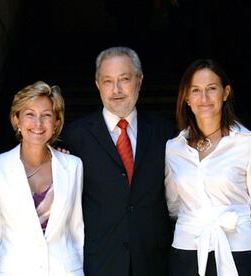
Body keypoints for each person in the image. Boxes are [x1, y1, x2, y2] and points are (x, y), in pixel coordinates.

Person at [62, 46, 176, 275]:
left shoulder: (166, 133)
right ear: (97, 85)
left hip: (154, 263)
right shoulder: (74, 137)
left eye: (124, 79)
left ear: (139, 81)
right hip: (100, 262)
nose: (116, 90)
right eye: (107, 81)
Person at [165, 59, 251, 276]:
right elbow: (174, 203)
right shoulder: (174, 148)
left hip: (239, 250)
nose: (204, 98)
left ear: (225, 93)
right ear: (187, 98)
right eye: (196, 91)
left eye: (212, 89)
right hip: (187, 250)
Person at [0, 81, 84, 276]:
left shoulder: (73, 166)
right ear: (17, 120)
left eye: (46, 116)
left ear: (56, 122)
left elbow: (77, 231)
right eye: (30, 114)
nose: (38, 124)